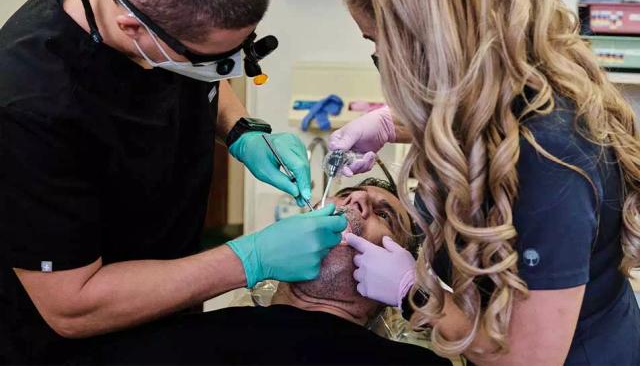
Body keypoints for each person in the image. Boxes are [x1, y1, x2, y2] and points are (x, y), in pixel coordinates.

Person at [0, 0, 346, 365]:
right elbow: (71, 307)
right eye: (213, 61)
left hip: (170, 298)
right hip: (76, 337)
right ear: (134, 29)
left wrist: (242, 128)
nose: (226, 72)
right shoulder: (29, 107)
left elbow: (199, 71)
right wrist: (247, 260)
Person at [331, 0, 640, 365]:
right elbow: (485, 112)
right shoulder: (516, 75)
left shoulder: (552, 160)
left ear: (431, 43)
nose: (380, 63)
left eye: (378, 44)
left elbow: (529, 361)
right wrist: (394, 124)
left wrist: (415, 294)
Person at [79, 180, 450, 366]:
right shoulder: (179, 339)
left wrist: (413, 293)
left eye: (384, 215)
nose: (357, 201)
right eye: (345, 193)